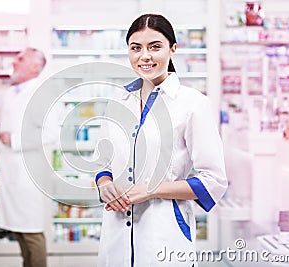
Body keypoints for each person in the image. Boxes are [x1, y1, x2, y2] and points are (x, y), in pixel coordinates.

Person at [95, 14, 228, 266]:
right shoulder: (117, 102)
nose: (145, 56)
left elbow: (214, 181)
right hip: (115, 232)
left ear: (173, 49)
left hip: (164, 235)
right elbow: (103, 161)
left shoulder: (192, 104)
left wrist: (151, 189)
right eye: (136, 48)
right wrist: (104, 184)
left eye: (155, 46)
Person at [0, 47, 58, 267]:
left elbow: (50, 132)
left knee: (31, 232)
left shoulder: (42, 93)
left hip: (27, 174)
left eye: (20, 59)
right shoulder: (12, 91)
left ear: (34, 67)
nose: (14, 62)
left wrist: (14, 139)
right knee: (19, 232)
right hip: (11, 172)